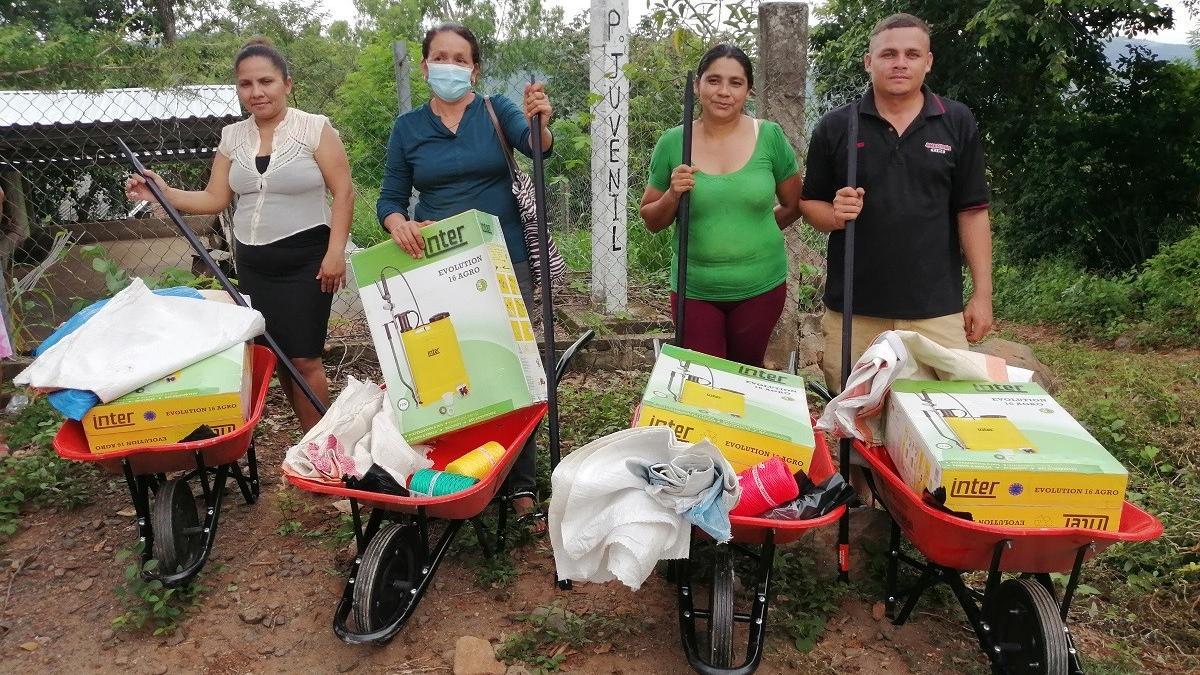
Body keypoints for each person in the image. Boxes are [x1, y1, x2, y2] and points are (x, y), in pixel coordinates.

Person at [376, 23, 554, 535]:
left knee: (514, 368)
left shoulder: (497, 110)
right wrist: (398, 223)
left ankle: (520, 481)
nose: (448, 66)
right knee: (446, 370)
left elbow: (536, 145)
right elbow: (389, 197)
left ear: (474, 68)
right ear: (426, 63)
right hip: (435, 268)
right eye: (439, 57)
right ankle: (456, 469)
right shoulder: (408, 128)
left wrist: (542, 118)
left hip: (503, 258)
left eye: (460, 58)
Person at [126, 37, 354, 431]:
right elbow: (215, 198)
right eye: (246, 84)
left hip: (308, 261)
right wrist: (162, 193)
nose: (256, 92)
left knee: (306, 357)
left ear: (287, 83)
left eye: (266, 81)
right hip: (254, 263)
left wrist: (335, 253)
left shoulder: (315, 129)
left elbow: (344, 191)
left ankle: (327, 447)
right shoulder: (232, 136)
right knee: (280, 355)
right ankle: (309, 441)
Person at [799, 13, 993, 391]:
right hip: (854, 310)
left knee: (942, 422)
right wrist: (836, 215)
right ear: (869, 62)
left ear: (928, 61)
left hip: (936, 310)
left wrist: (982, 295)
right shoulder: (837, 126)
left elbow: (972, 212)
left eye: (911, 54)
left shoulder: (956, 121)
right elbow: (810, 206)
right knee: (857, 426)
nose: (900, 63)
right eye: (888, 54)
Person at [639, 44, 803, 367]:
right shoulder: (675, 142)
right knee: (705, 380)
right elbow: (650, 218)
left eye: (735, 83)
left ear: (749, 90)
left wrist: (757, 230)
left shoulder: (769, 136)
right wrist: (673, 194)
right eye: (713, 81)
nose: (723, 92)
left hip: (761, 287)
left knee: (746, 373)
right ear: (698, 85)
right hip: (694, 288)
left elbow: (795, 203)